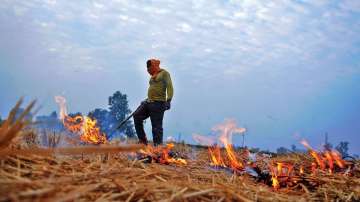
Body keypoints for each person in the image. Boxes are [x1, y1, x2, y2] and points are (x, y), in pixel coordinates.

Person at [133, 59, 173, 146]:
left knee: (156, 127)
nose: (148, 70)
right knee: (136, 115)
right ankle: (143, 141)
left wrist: (169, 100)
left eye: (149, 67)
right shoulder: (153, 75)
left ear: (154, 66)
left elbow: (170, 86)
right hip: (148, 102)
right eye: (147, 68)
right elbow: (154, 89)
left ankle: (158, 149)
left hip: (158, 103)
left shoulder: (164, 73)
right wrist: (146, 100)